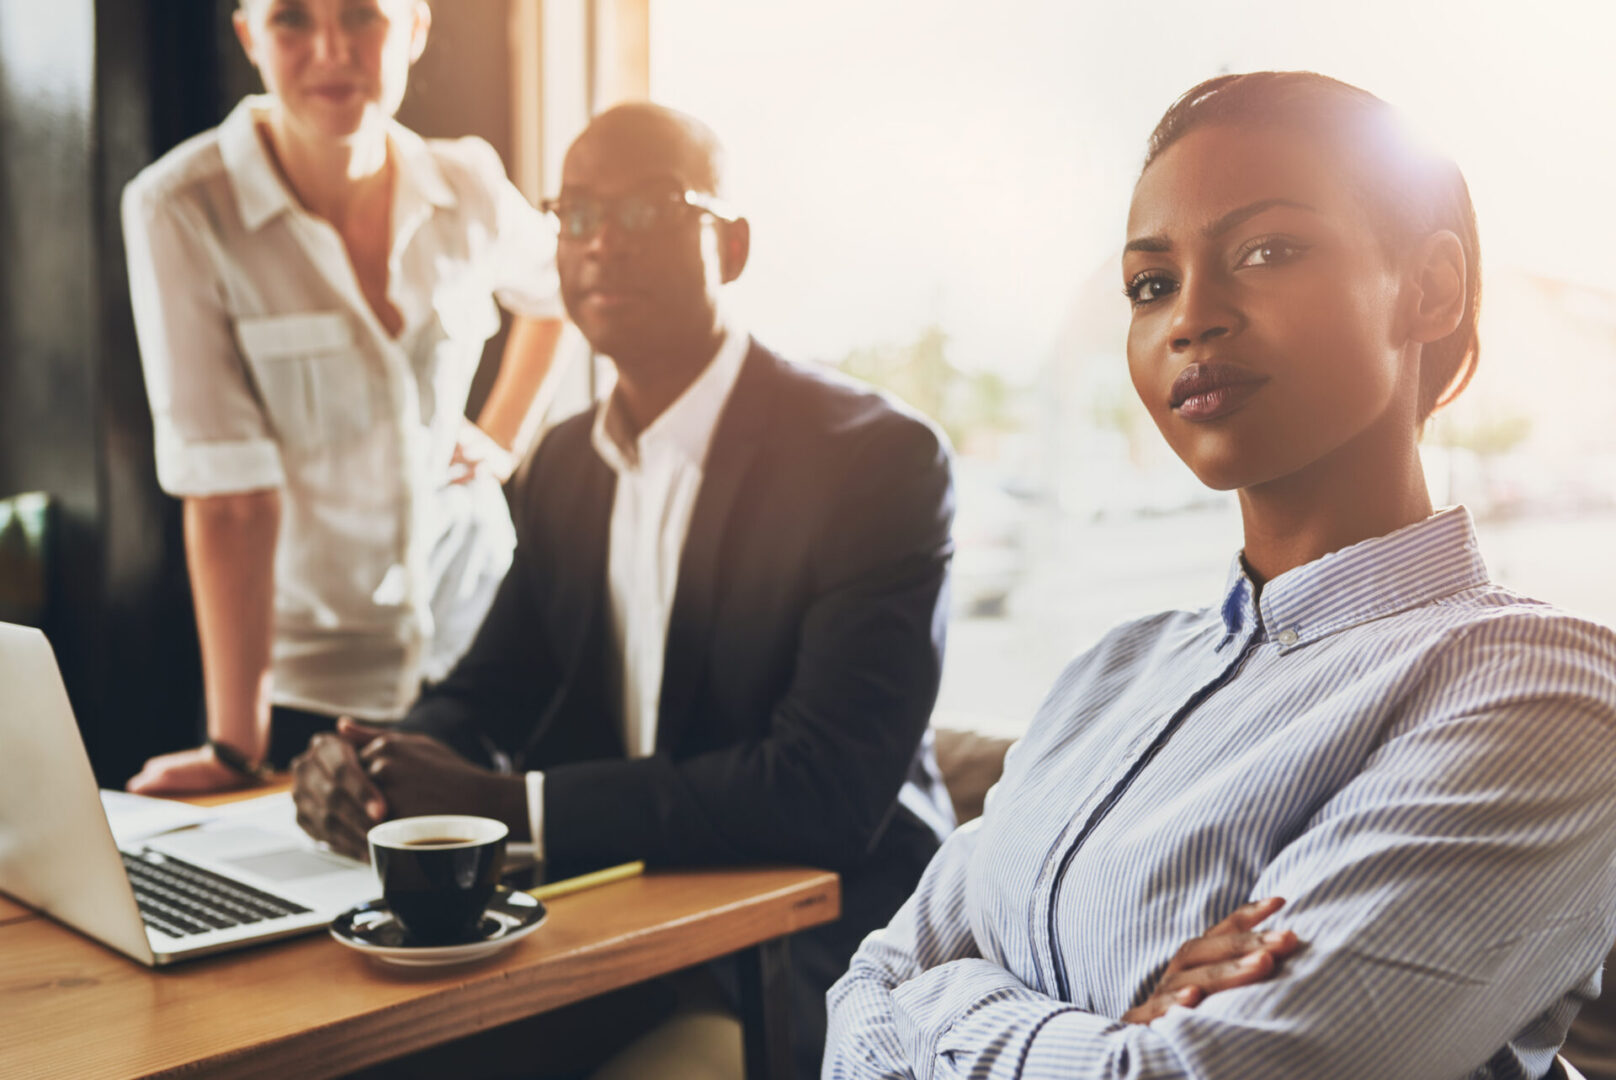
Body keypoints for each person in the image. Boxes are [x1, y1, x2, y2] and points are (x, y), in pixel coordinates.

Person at [824, 70, 1616, 1079]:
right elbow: (855, 997)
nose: (1188, 317)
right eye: (1149, 283)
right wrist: (1110, 1036)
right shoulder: (1107, 678)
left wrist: (956, 1002)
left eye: (1265, 251)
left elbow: (1194, 1074)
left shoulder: (1538, 693)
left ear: (1426, 288)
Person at [292, 102, 956, 1079]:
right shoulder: (564, 462)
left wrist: (512, 805)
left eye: (644, 211)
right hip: (616, 911)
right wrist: (375, 766)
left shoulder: (874, 461)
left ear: (727, 245)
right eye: (575, 215)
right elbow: (491, 686)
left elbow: (821, 793)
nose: (600, 243)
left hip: (816, 928)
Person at [120, 0, 565, 794]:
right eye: (292, 18)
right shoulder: (182, 205)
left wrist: (502, 438)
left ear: (416, 30)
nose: (332, 50)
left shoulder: (468, 183)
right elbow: (229, 500)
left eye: (362, 14)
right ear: (249, 36)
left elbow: (559, 291)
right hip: (308, 685)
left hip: (484, 650)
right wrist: (234, 749)